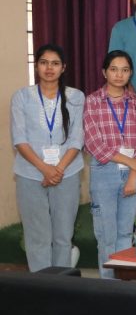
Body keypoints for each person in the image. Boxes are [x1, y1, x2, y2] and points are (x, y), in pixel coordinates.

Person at [11, 45, 85, 271]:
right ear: (37, 66)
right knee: (37, 236)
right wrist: (45, 169)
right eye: (44, 62)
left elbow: (76, 139)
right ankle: (41, 285)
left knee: (63, 235)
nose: (49, 68)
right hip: (30, 174)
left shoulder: (75, 97)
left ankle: (60, 284)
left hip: (67, 173)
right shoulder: (22, 96)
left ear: (63, 68)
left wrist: (57, 170)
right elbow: (19, 139)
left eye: (55, 63)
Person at [84, 50, 136, 278]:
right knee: (106, 235)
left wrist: (133, 175)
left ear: (131, 73)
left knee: (125, 234)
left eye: (124, 70)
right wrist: (130, 162)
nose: (119, 75)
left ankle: (121, 284)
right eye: (113, 69)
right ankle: (107, 286)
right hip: (104, 172)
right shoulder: (92, 101)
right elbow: (94, 143)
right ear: (104, 72)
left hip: (133, 174)